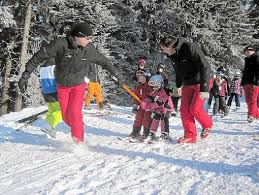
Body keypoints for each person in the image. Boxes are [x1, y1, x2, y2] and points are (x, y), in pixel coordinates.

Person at [18, 22, 124, 144]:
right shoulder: (60, 44)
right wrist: (25, 75)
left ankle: (78, 142)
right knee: (66, 118)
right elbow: (39, 56)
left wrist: (118, 77)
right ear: (78, 36)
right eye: (87, 38)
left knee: (75, 114)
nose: (89, 40)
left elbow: (105, 62)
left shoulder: (89, 49)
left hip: (78, 85)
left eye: (91, 38)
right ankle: (77, 124)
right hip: (62, 86)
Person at [160, 36, 213, 143]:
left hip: (202, 80)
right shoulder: (173, 55)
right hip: (188, 83)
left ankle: (207, 125)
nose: (163, 51)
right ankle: (190, 135)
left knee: (195, 108)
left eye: (163, 48)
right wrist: (178, 86)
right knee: (184, 110)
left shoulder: (189, 47)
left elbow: (205, 66)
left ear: (170, 46)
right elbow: (179, 72)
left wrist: (204, 88)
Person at [141, 74, 174, 141]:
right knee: (156, 117)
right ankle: (152, 132)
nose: (153, 88)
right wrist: (146, 104)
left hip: (167, 109)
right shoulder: (152, 94)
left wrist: (161, 103)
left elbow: (166, 101)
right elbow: (145, 105)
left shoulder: (165, 92)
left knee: (164, 118)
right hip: (158, 109)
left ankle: (165, 133)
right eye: (152, 87)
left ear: (160, 85)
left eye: (155, 87)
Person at [39, 58, 62, 137]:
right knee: (60, 111)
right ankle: (49, 127)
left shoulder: (43, 67)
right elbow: (59, 79)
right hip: (54, 92)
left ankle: (50, 128)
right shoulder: (56, 65)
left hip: (46, 92)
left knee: (51, 111)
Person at [128, 70, 153, 140]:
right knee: (138, 118)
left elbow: (155, 96)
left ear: (147, 78)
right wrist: (135, 106)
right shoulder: (138, 87)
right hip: (142, 106)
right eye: (140, 78)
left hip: (149, 106)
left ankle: (146, 132)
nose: (141, 80)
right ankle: (135, 131)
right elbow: (136, 97)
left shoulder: (151, 86)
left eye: (143, 78)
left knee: (146, 118)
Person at [241, 45, 259, 122]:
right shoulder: (246, 59)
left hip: (254, 82)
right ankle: (257, 115)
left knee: (252, 99)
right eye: (245, 51)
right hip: (246, 82)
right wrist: (242, 82)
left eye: (247, 51)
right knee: (248, 100)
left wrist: (257, 80)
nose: (246, 53)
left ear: (252, 51)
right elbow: (245, 72)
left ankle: (251, 115)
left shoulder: (257, 58)